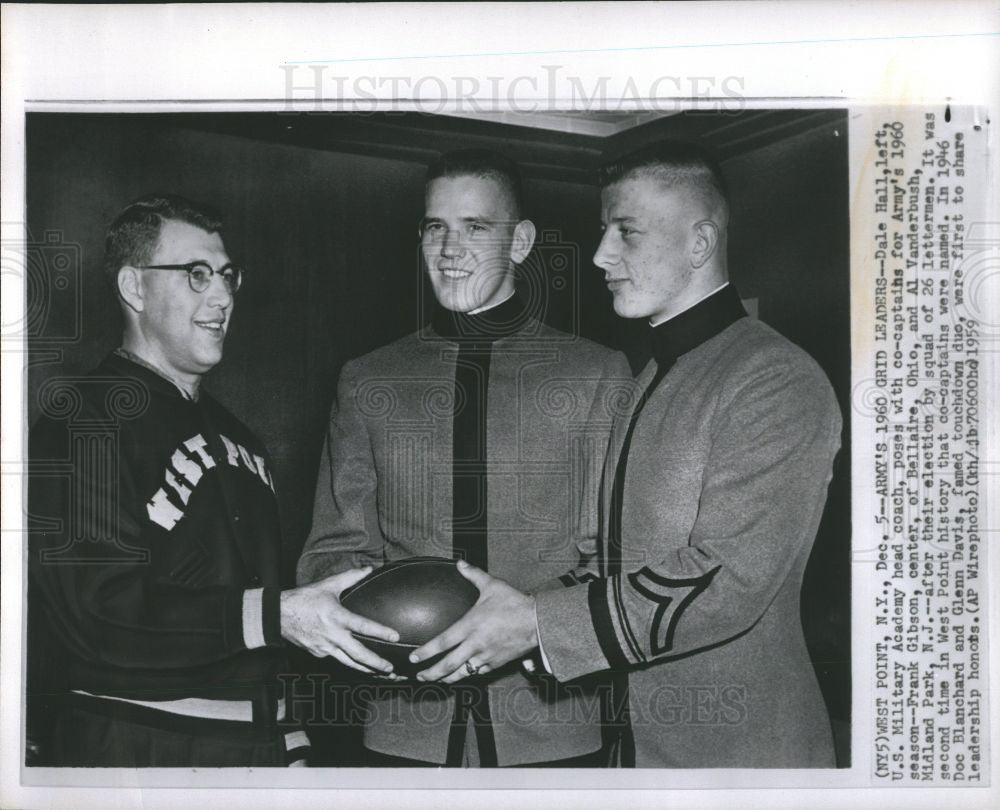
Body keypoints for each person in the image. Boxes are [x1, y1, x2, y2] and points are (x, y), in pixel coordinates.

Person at [410, 141, 843, 768]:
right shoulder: (650, 376)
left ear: (699, 243)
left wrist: (536, 623)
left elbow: (728, 578)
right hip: (636, 752)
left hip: (742, 757)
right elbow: (609, 559)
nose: (600, 255)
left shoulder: (775, 377)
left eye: (627, 233)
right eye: (602, 231)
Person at [27, 194, 399, 767]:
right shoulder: (84, 418)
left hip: (258, 747)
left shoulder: (241, 440)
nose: (222, 296)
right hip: (137, 746)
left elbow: (275, 626)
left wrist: (290, 740)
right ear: (134, 288)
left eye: (227, 276)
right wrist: (276, 616)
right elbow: (96, 612)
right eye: (196, 275)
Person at [297, 150, 630, 767]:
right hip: (404, 728)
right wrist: (371, 629)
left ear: (521, 241)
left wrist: (529, 624)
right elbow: (333, 548)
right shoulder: (370, 377)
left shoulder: (596, 373)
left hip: (552, 726)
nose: (450, 248)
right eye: (434, 227)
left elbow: (613, 552)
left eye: (475, 227)